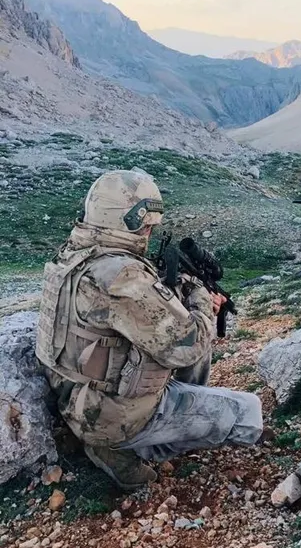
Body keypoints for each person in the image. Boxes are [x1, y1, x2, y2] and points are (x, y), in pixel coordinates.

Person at [35, 169, 263, 490]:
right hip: (112, 418)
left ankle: (122, 437)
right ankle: (126, 448)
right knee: (247, 412)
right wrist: (199, 297)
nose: (148, 233)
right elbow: (189, 344)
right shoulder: (121, 274)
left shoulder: (74, 255)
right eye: (146, 226)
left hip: (74, 399)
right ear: (127, 220)